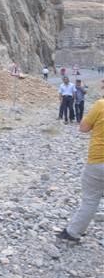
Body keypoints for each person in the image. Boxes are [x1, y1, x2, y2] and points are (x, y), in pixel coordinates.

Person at [57, 78, 104, 242]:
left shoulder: (100, 105)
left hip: (98, 160)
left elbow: (83, 128)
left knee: (90, 200)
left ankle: (73, 233)